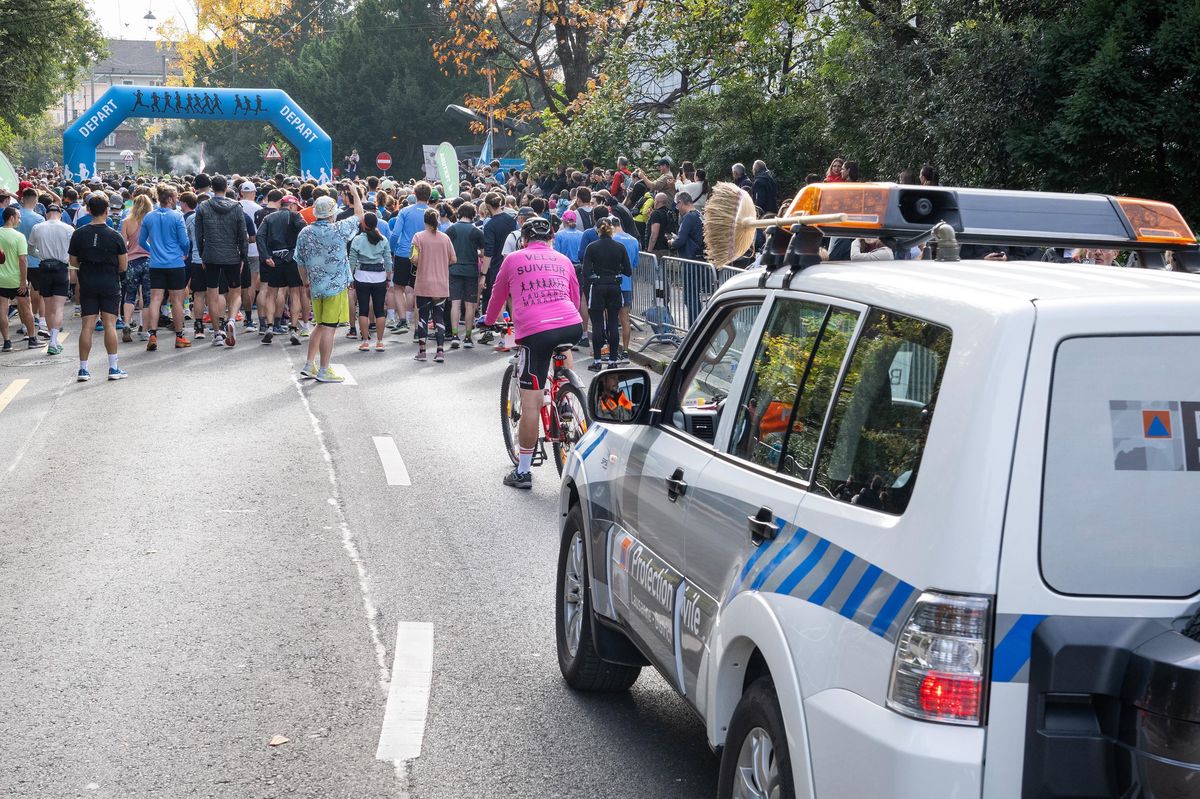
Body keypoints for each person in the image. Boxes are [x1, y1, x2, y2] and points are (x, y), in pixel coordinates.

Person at [484, 215, 584, 489]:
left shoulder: (514, 258)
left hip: (535, 331)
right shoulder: (563, 260)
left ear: (524, 240)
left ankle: (524, 471)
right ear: (551, 238)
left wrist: (489, 320)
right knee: (562, 349)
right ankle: (565, 396)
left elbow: (497, 293)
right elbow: (574, 297)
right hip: (570, 323)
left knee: (530, 404)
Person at [294, 186, 365, 382]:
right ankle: (324, 369)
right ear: (333, 213)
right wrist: (356, 194)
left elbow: (299, 262)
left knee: (320, 324)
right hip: (335, 285)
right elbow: (360, 215)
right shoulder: (339, 229)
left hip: (315, 285)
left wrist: (306, 283)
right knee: (329, 328)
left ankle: (310, 364)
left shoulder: (305, 233)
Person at [68, 193, 128, 380]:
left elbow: (73, 261)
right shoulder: (115, 235)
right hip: (109, 282)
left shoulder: (78, 233)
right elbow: (123, 265)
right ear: (107, 211)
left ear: (88, 210)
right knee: (110, 324)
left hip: (87, 282)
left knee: (88, 326)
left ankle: (83, 369)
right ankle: (113, 367)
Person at [194, 174, 249, 346]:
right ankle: (231, 319)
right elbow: (243, 235)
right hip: (232, 254)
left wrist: (202, 254)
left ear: (211, 187)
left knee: (212, 293)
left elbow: (198, 234)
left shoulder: (203, 207)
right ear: (227, 188)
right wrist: (243, 256)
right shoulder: (236, 207)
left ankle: (217, 332)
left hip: (210, 255)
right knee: (235, 292)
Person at [138, 183, 192, 350]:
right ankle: (179, 336)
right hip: (175, 263)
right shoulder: (177, 216)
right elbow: (185, 242)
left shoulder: (149, 217)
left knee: (155, 300)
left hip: (156, 264)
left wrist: (153, 250)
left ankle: (152, 334)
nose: (176, 200)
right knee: (177, 301)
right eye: (175, 198)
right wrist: (185, 252)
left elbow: (141, 241)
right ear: (169, 199)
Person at [581, 218, 632, 371]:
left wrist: (595, 275)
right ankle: (612, 360)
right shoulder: (620, 247)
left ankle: (597, 360)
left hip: (598, 286)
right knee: (612, 324)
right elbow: (628, 271)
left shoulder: (591, 247)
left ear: (598, 231)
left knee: (597, 324)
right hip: (614, 286)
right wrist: (617, 270)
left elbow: (586, 272)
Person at [388, 181, 433, 339]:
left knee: (399, 288)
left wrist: (392, 250)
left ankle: (402, 320)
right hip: (424, 256)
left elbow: (395, 234)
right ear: (429, 196)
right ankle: (418, 329)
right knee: (418, 292)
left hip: (403, 253)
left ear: (414, 194)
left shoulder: (405, 211)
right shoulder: (432, 212)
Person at [411, 208, 456, 363]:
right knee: (439, 317)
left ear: (425, 221)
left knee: (423, 317)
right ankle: (440, 351)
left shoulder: (418, 237)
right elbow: (453, 259)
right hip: (441, 283)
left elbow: (414, 259)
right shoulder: (445, 238)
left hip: (423, 282)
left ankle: (422, 351)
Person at [27, 204, 73, 355]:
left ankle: (52, 340)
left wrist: (40, 255)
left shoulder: (38, 228)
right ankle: (54, 340)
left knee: (47, 306)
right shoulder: (68, 229)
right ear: (59, 214)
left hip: (44, 268)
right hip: (61, 268)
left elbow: (31, 249)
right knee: (58, 307)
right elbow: (73, 250)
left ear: (47, 214)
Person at [349, 212, 392, 352]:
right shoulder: (383, 239)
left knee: (363, 310)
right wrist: (388, 277)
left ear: (364, 224)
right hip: (379, 276)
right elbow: (388, 261)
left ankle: (365, 341)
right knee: (379, 310)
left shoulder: (357, 240)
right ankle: (380, 342)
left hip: (362, 276)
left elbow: (352, 261)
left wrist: (350, 277)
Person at [445, 203, 485, 349]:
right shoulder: (477, 231)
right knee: (470, 305)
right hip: (471, 271)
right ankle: (468, 337)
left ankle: (455, 335)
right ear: (473, 214)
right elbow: (483, 252)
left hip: (454, 269)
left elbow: (447, 250)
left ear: (459, 212)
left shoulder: (451, 230)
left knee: (455, 304)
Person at [0, 206, 37, 352]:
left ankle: (7, 342)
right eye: (18, 217)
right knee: (26, 309)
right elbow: (23, 260)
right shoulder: (19, 236)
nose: (20, 220)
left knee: (2, 311)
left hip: (1, 280)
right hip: (16, 280)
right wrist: (24, 280)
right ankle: (32, 339)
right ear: (11, 218)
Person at [120, 194, 153, 343]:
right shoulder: (151, 221)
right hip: (149, 260)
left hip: (132, 261)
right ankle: (144, 330)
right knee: (147, 298)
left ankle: (127, 323)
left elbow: (122, 244)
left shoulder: (127, 221)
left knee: (130, 296)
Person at [237, 181, 264, 332]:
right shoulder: (259, 208)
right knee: (251, 284)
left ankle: (234, 314)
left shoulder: (235, 206)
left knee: (235, 285)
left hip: (235, 250)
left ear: (241, 193)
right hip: (254, 250)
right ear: (254, 193)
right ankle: (248, 317)